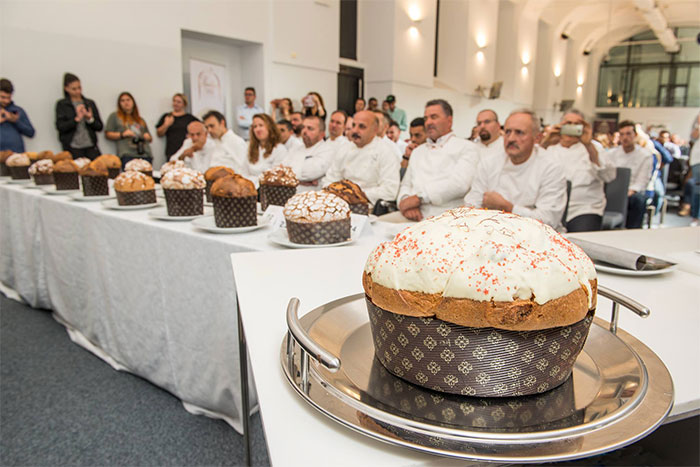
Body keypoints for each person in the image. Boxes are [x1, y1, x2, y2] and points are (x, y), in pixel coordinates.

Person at [464, 109, 566, 230]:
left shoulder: (551, 168)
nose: (511, 138)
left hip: (536, 237)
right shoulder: (489, 163)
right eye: (507, 132)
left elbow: (548, 221)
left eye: (519, 132)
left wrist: (508, 208)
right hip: (492, 232)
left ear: (537, 138)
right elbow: (471, 205)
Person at [398, 99, 480, 221]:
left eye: (434, 117)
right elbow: (406, 184)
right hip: (414, 216)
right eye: (426, 118)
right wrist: (405, 202)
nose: (428, 122)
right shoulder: (417, 151)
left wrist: (419, 198)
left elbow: (459, 184)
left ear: (449, 120)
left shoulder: (467, 147)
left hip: (448, 219)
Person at [540, 109, 616, 232]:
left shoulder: (595, 148)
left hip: (583, 209)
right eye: (568, 124)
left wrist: (588, 145)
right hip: (551, 207)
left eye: (576, 125)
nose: (572, 128)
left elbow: (609, 176)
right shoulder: (550, 147)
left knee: (580, 242)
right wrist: (545, 142)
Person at [323, 110, 399, 206]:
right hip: (339, 202)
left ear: (375, 130)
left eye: (362, 127)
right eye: (354, 125)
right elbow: (329, 179)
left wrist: (357, 195)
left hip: (369, 206)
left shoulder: (386, 152)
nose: (355, 131)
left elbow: (390, 191)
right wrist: (339, 194)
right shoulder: (344, 149)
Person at [607, 120, 654, 229]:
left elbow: (642, 182)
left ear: (635, 135)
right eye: (622, 134)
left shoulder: (645, 156)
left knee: (638, 200)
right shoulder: (611, 154)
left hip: (633, 192)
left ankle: (632, 231)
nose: (625, 138)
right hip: (613, 191)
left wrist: (628, 192)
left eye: (628, 134)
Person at [55, 73, 103, 160]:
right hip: (72, 147)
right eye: (74, 89)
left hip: (91, 146)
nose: (78, 91)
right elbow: (60, 127)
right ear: (66, 89)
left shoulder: (89, 103)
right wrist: (76, 119)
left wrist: (90, 119)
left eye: (79, 88)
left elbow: (99, 127)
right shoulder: (62, 104)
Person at [284, 115, 335, 186]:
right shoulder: (295, 148)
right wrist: (299, 181)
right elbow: (281, 170)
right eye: (303, 127)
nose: (304, 131)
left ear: (322, 134)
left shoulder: (327, 150)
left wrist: (288, 176)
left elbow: (309, 174)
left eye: (310, 128)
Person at [105, 92, 154, 164]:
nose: (126, 102)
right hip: (127, 154)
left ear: (133, 102)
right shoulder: (115, 116)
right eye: (122, 101)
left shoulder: (140, 120)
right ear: (119, 104)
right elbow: (108, 134)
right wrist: (122, 134)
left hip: (145, 154)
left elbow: (150, 138)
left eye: (128, 100)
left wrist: (147, 137)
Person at [243, 113, 287, 183]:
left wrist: (253, 180)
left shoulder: (279, 149)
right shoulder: (249, 148)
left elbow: (274, 177)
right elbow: (244, 172)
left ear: (270, 127)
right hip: (250, 188)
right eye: (255, 127)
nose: (258, 129)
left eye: (261, 125)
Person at [155, 93, 198, 159]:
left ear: (184, 104)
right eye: (174, 101)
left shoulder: (190, 118)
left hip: (186, 150)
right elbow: (159, 133)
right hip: (171, 151)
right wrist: (166, 124)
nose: (176, 104)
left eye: (179, 102)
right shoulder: (167, 116)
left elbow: (201, 129)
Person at [0, 78, 34, 153]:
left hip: (17, 156)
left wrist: (15, 121)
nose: (6, 101)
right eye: (3, 97)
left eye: (9, 97)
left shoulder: (18, 111)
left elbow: (31, 133)